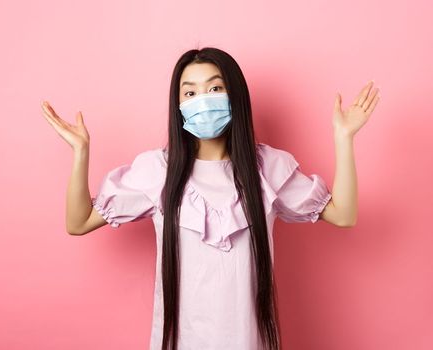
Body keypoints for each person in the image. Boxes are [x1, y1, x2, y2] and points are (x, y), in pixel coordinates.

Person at [40, 47, 378, 350]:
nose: (203, 100)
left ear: (235, 96)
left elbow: (343, 214)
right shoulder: (158, 170)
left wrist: (344, 138)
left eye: (215, 88)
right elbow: (79, 222)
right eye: (190, 92)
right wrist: (80, 152)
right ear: (179, 106)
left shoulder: (268, 168)